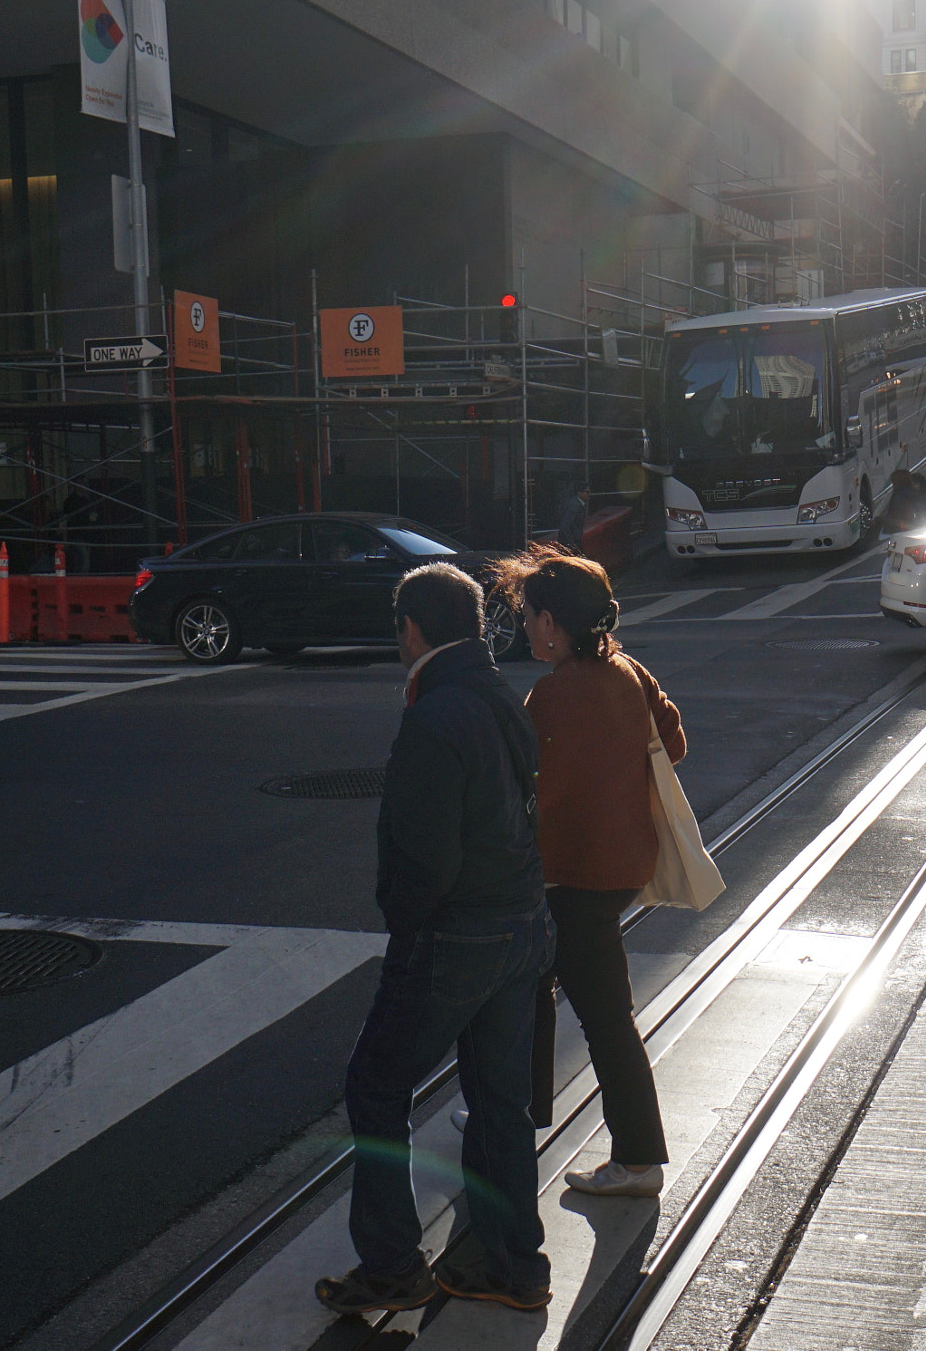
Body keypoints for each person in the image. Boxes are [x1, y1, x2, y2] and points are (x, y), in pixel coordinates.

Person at [317, 563, 556, 1317]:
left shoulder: (433, 714)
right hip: (523, 921)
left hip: (458, 932)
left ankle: (391, 1266)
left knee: (377, 1085)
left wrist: (405, 922)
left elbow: (426, 857)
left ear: (411, 629)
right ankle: (516, 1265)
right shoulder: (498, 694)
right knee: (499, 1100)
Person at [488, 544, 684, 1199]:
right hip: (621, 867)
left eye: (530, 615)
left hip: (574, 879)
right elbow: (673, 741)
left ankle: (636, 1156)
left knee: (599, 1015)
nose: (526, 628)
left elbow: (524, 791)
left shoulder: (550, 696)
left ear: (552, 623)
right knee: (547, 989)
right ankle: (523, 1111)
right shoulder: (627, 671)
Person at [558, 485, 590, 551]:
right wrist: (572, 544)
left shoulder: (575, 503)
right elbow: (565, 525)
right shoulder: (575, 506)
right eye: (587, 492)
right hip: (569, 544)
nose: (589, 495)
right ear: (579, 493)